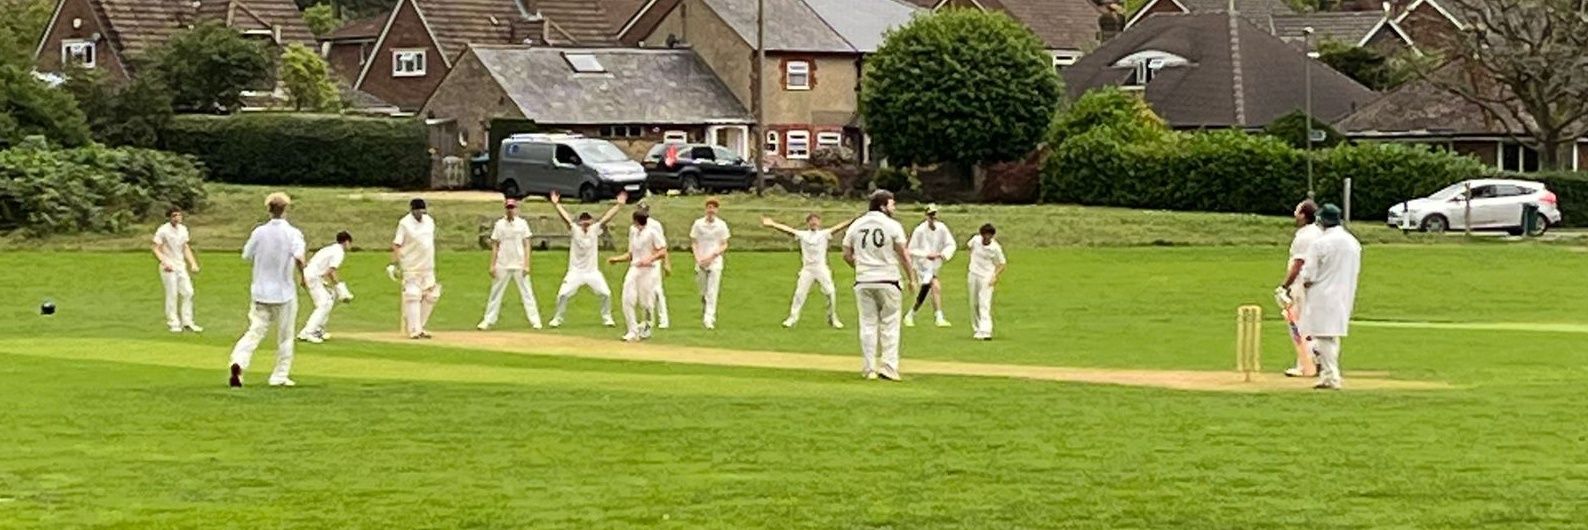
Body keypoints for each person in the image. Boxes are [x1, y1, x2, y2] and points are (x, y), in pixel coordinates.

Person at [228, 193, 307, 388]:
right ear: (286, 209)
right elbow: (299, 257)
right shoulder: (293, 233)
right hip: (284, 292)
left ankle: (238, 361)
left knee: (254, 331)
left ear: (268, 209)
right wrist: (303, 277)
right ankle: (279, 376)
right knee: (285, 336)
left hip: (260, 291)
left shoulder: (259, 232)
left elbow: (247, 254)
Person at [843, 190, 917, 381]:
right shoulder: (892, 225)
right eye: (892, 204)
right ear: (883, 206)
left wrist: (860, 267)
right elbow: (903, 253)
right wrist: (911, 278)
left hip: (863, 280)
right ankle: (889, 367)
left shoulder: (856, 224)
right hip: (888, 279)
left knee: (867, 324)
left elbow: (846, 253)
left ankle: (869, 369)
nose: (894, 208)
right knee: (890, 324)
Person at [1299, 204, 1361, 390]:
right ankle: (1328, 374)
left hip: (1322, 294)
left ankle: (1332, 376)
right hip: (1344, 293)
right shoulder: (1352, 242)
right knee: (1329, 337)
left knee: (1323, 336)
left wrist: (1303, 284)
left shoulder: (1320, 243)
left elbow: (1309, 274)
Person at [761, 212, 856, 328]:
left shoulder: (824, 234)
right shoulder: (803, 235)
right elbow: (788, 230)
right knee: (799, 294)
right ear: (808, 223)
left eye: (816, 220)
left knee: (830, 292)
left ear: (820, 223)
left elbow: (838, 227)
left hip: (821, 268)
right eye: (811, 221)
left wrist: (853, 220)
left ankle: (832, 318)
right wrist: (772, 224)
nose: (814, 222)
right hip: (807, 269)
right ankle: (792, 318)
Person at [548, 190, 626, 327]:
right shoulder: (575, 230)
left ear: (591, 221)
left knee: (606, 294)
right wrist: (556, 204)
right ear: (580, 222)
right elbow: (565, 218)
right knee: (563, 295)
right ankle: (557, 319)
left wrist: (618, 205)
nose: (585, 224)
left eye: (588, 221)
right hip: (575, 271)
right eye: (583, 221)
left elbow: (606, 218)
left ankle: (607, 318)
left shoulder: (595, 229)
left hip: (592, 271)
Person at [478, 198, 542, 330]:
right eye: (508, 208)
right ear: (505, 209)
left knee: (527, 293)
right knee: (495, 293)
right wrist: (492, 264)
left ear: (516, 209)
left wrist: (526, 264)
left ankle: (535, 320)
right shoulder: (499, 224)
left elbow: (527, 245)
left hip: (519, 263)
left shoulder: (522, 224)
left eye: (512, 208)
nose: (510, 210)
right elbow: (495, 245)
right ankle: (488, 320)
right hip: (503, 263)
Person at [1277, 199, 1322, 377]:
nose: (1295, 215)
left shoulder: (1304, 236)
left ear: (1303, 215)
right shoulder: (1318, 232)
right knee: (1312, 324)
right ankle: (1318, 361)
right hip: (1316, 284)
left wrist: (1284, 286)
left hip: (1301, 285)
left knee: (1298, 325)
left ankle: (1304, 365)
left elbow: (1298, 264)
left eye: (1297, 211)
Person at [610, 210, 669, 342]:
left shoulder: (652, 232)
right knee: (627, 297)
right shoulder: (633, 231)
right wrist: (617, 259)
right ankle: (632, 330)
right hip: (635, 268)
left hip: (649, 270)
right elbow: (631, 253)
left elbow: (663, 251)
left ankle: (647, 326)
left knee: (646, 302)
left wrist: (651, 258)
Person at [390, 198, 441, 339]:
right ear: (412, 210)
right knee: (413, 295)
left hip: (428, 266)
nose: (420, 213)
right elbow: (397, 244)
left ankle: (420, 326)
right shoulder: (405, 223)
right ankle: (413, 330)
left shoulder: (429, 221)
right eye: (417, 210)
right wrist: (394, 264)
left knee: (432, 295)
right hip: (411, 266)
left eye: (422, 210)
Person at [298, 231, 354, 344]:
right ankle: (307, 332)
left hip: (313, 276)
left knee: (329, 298)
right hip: (314, 277)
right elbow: (331, 272)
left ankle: (318, 330)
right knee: (323, 304)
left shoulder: (329, 249)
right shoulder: (339, 252)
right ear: (346, 242)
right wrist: (342, 291)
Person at [152, 207, 202, 333]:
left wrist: (193, 263)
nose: (177, 218)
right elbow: (156, 248)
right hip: (168, 266)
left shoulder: (183, 230)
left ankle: (188, 322)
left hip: (180, 265)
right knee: (172, 294)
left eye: (179, 215)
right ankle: (173, 323)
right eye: (174, 216)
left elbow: (185, 247)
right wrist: (164, 262)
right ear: (169, 217)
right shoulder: (163, 230)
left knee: (188, 292)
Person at [905, 204, 955, 328]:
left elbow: (950, 244)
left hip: (934, 265)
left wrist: (942, 254)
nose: (933, 217)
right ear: (926, 216)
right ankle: (938, 317)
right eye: (931, 215)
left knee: (927, 290)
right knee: (935, 286)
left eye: (935, 214)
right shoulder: (919, 230)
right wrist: (926, 254)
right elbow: (911, 249)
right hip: (922, 265)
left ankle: (911, 314)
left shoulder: (942, 228)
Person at [689, 197, 731, 330]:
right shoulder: (698, 224)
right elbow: (694, 242)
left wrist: (713, 256)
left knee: (712, 291)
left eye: (713, 207)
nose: (711, 210)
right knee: (703, 291)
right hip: (701, 260)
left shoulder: (721, 225)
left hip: (715, 262)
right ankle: (706, 308)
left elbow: (724, 244)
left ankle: (709, 319)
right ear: (706, 209)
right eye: (709, 207)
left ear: (717, 210)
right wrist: (698, 258)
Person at [966, 223, 1007, 341]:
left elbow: (1002, 263)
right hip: (973, 274)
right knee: (974, 303)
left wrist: (994, 276)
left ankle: (986, 331)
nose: (986, 238)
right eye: (984, 235)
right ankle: (977, 329)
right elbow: (969, 248)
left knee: (984, 302)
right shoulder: (975, 240)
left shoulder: (995, 248)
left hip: (986, 277)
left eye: (989, 236)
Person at [638, 203, 672, 329]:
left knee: (657, 290)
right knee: (643, 291)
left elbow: (662, 246)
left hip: (654, 262)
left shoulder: (655, 225)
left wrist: (666, 262)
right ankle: (647, 319)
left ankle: (664, 320)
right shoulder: (635, 226)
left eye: (645, 209)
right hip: (641, 263)